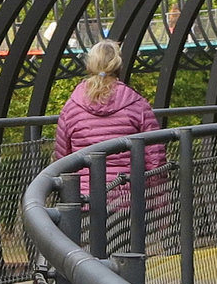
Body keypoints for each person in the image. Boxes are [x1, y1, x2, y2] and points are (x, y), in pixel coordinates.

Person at [54, 40, 167, 204]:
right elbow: (155, 159)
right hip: (128, 201)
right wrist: (159, 202)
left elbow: (63, 160)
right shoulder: (137, 104)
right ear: (119, 66)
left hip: (85, 200)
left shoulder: (71, 108)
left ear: (89, 65)